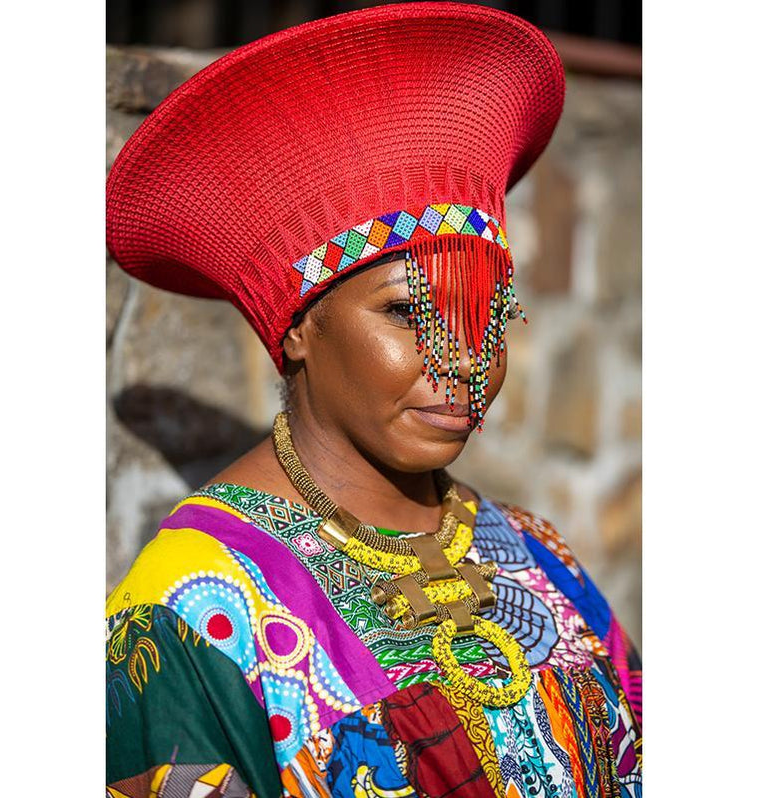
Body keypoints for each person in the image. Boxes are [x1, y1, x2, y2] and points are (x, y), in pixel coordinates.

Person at [105, 3, 641, 797]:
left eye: (485, 314)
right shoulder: (190, 610)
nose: (464, 361)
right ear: (298, 328)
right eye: (407, 312)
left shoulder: (536, 552)